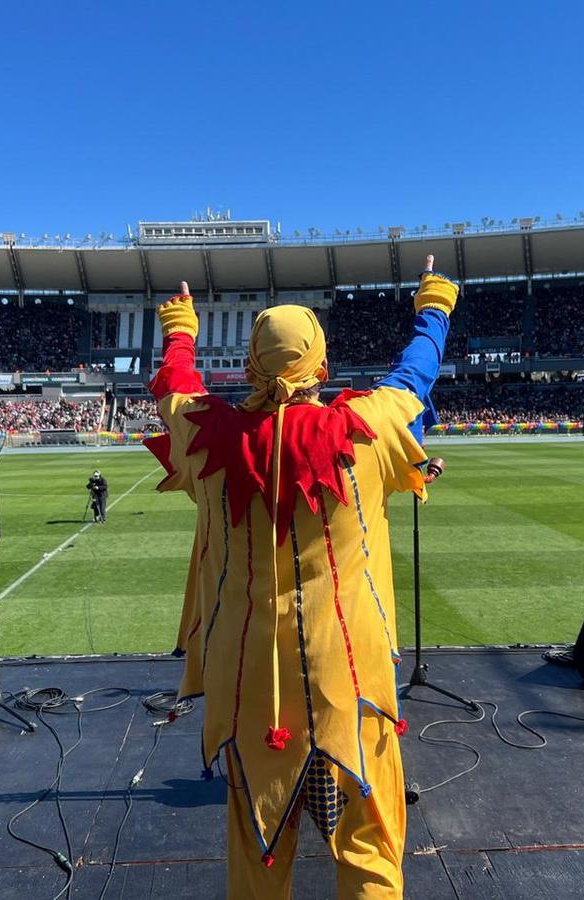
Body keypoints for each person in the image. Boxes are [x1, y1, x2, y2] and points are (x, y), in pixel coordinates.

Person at [144, 257, 458, 898]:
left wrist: (181, 326)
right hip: (349, 673)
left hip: (246, 680)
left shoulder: (205, 435)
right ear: (321, 365)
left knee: (257, 851)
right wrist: (435, 301)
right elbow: (416, 373)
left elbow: (174, 385)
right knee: (369, 846)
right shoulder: (369, 425)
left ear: (251, 367)